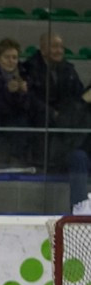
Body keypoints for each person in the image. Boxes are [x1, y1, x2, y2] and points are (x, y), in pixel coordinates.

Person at [24, 32, 91, 211]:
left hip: (76, 138)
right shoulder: (31, 69)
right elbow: (33, 105)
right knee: (79, 158)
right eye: (54, 46)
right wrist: (57, 113)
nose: (59, 50)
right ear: (43, 48)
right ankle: (79, 211)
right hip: (54, 142)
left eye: (61, 47)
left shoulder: (68, 71)